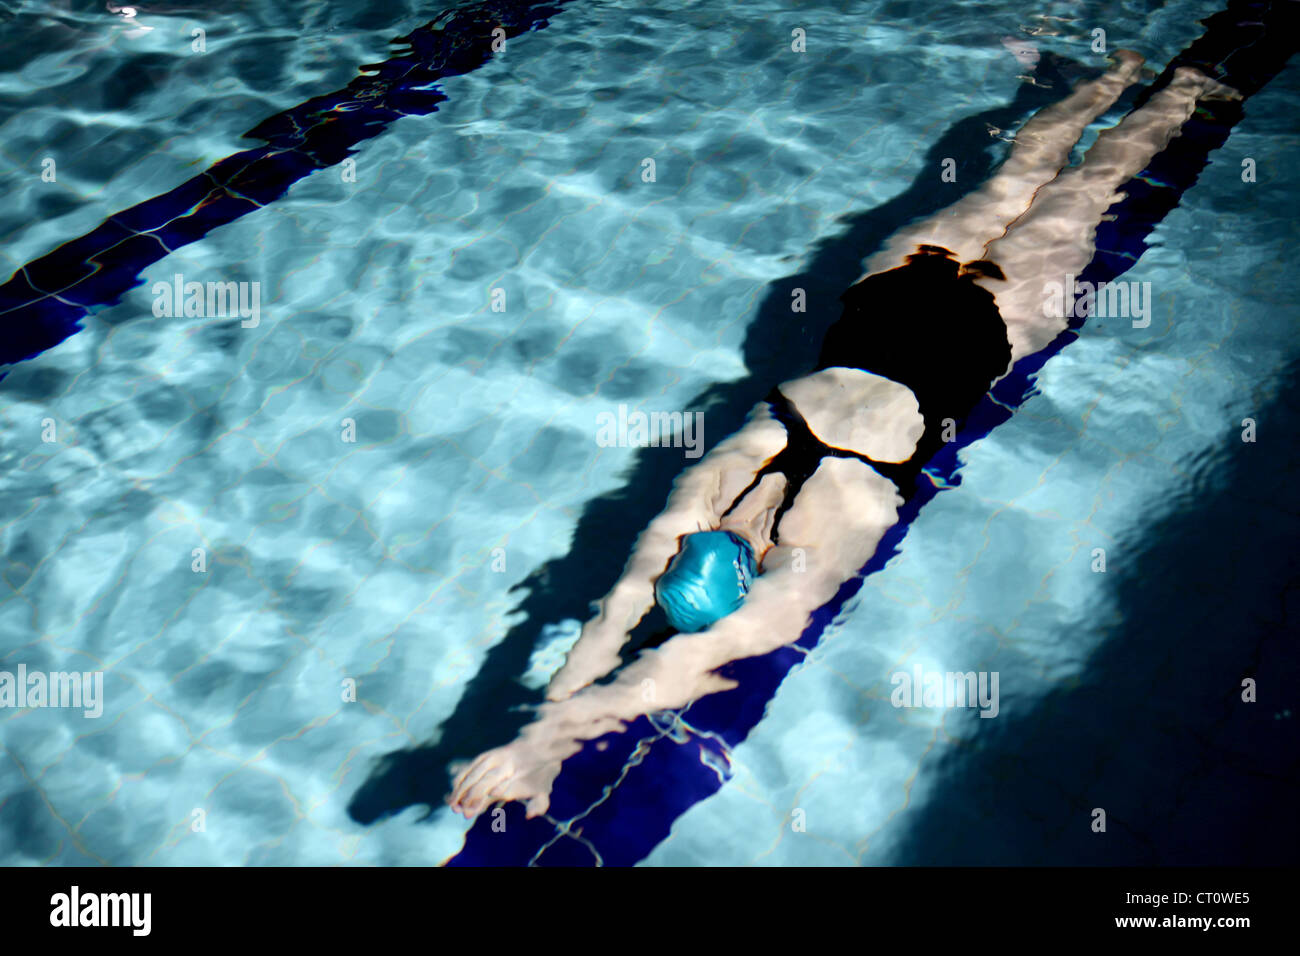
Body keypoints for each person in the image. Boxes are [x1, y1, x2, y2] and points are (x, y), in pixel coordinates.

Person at [449, 50, 1239, 819]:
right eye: (716, 551)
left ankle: (1122, 72)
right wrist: (551, 742)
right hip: (988, 325)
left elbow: (620, 606)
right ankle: (1166, 84)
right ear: (749, 576)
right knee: (1085, 185)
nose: (715, 532)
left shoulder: (725, 480)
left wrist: (544, 726)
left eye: (692, 546)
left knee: (1026, 174)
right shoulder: (817, 549)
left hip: (900, 295)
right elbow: (690, 656)